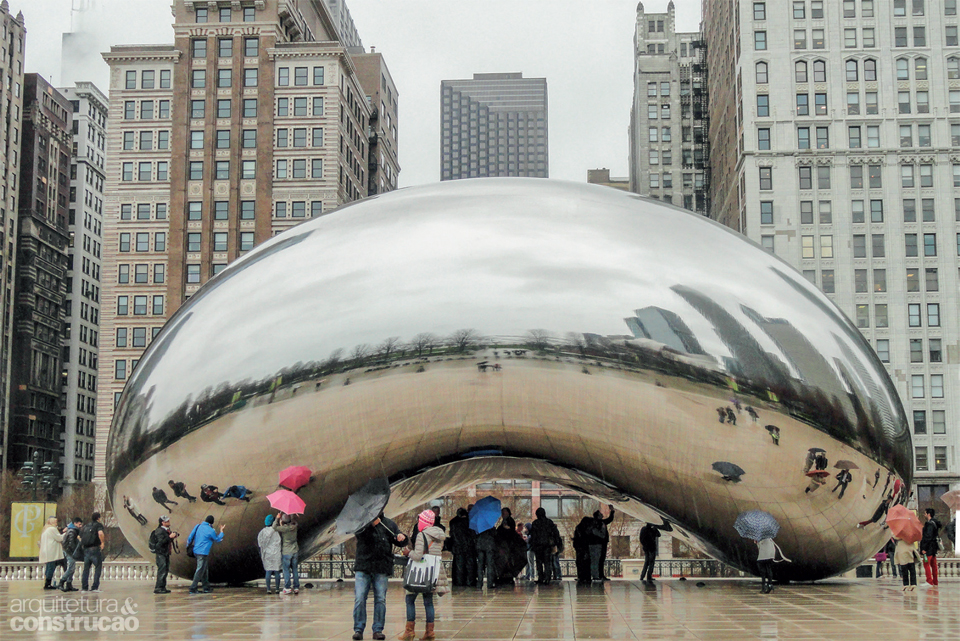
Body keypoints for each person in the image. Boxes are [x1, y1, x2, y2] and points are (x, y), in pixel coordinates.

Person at [352, 513, 405, 640]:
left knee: (380, 599)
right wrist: (370, 525)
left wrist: (402, 538)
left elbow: (399, 541)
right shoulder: (361, 523)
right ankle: (358, 629)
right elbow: (361, 536)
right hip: (363, 567)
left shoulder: (388, 524)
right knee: (360, 598)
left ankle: (378, 629)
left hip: (381, 567)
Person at [400, 510, 447, 641]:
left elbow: (418, 556)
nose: (418, 522)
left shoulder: (422, 535)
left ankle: (409, 632)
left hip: (419, 574)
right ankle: (429, 633)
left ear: (424, 522)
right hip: (432, 574)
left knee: (410, 600)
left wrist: (408, 553)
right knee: (428, 602)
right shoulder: (439, 536)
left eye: (420, 520)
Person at [187, 515, 225, 594]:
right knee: (200, 569)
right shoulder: (211, 530)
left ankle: (206, 587)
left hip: (196, 550)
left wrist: (188, 545)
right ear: (212, 522)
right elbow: (217, 539)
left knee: (204, 569)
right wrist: (221, 531)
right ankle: (193, 588)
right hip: (203, 552)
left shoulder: (198, 526)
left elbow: (190, 537)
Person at [529, 507, 561, 584]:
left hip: (538, 546)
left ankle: (541, 577)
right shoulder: (549, 522)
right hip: (547, 546)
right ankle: (547, 577)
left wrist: (532, 545)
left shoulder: (535, 523)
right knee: (547, 562)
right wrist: (557, 543)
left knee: (539, 562)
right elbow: (555, 533)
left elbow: (533, 535)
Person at [274, 512, 300, 594]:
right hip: (295, 550)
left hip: (286, 551)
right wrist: (293, 516)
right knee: (295, 569)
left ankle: (287, 587)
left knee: (286, 570)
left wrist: (277, 518)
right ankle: (296, 587)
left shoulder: (284, 529)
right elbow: (294, 522)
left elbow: (274, 527)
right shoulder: (294, 526)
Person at [151, 515, 178, 593]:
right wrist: (169, 537)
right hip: (161, 553)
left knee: (165, 570)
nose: (169, 522)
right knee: (162, 570)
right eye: (167, 521)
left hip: (165, 553)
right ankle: (158, 588)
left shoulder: (166, 530)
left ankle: (163, 587)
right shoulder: (159, 531)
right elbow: (160, 543)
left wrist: (172, 537)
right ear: (162, 522)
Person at [448, 507, 474, 586]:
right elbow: (472, 535)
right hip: (469, 548)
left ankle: (458, 582)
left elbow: (452, 535)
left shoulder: (453, 522)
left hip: (457, 548)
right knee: (469, 566)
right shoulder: (470, 522)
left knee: (458, 567)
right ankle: (470, 582)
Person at [80, 512, 106, 592]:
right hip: (95, 549)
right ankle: (95, 587)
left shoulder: (86, 526)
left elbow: (80, 536)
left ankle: (84, 587)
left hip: (86, 549)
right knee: (98, 567)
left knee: (86, 569)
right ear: (98, 518)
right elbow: (100, 533)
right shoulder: (98, 525)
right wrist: (102, 542)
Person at [39, 517, 64, 590]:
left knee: (48, 567)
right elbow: (59, 538)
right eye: (55, 522)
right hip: (51, 552)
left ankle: (47, 582)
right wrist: (66, 533)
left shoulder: (46, 530)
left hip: (46, 551)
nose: (57, 524)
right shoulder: (52, 529)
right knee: (51, 567)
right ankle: (48, 584)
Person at [59, 517, 83, 592]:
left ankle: (69, 584)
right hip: (69, 551)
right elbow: (71, 543)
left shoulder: (71, 530)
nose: (80, 526)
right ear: (75, 523)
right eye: (79, 524)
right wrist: (74, 552)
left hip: (68, 550)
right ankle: (61, 582)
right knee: (71, 568)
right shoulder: (73, 531)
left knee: (72, 567)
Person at [920, 508, 941, 586]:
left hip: (928, 548)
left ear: (928, 514)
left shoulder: (929, 524)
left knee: (926, 563)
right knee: (933, 564)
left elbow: (927, 537)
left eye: (925, 513)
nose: (924, 514)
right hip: (934, 547)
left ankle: (929, 580)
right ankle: (935, 581)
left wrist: (924, 548)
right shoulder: (935, 523)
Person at [592, 506, 615, 581]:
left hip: (602, 543)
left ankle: (600, 575)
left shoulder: (600, 522)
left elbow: (610, 519)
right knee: (600, 559)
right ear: (598, 516)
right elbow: (609, 519)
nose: (602, 515)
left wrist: (612, 511)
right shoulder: (598, 523)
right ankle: (599, 575)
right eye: (600, 514)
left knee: (601, 559)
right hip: (599, 544)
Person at [572, 517, 593, 585]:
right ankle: (587, 578)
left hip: (579, 549)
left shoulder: (578, 529)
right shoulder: (586, 531)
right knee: (586, 563)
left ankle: (581, 577)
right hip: (584, 548)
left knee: (580, 563)